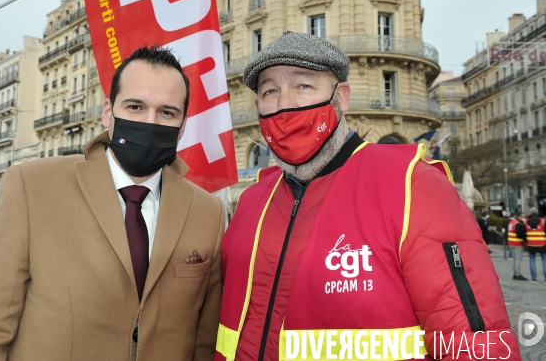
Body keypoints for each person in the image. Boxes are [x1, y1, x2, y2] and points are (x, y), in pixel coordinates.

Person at [215, 31, 520, 360]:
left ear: (341, 97)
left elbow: (473, 342)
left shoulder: (413, 185)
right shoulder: (250, 203)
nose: (283, 103)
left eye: (303, 86)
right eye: (269, 90)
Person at [0, 46, 225, 361]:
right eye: (135, 107)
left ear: (183, 125)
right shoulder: (31, 187)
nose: (150, 122)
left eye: (167, 112)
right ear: (108, 112)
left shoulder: (209, 213)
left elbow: (204, 342)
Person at [525, 209, 546, 282]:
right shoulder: (542, 221)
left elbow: (523, 232)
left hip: (531, 243)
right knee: (544, 260)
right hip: (542, 243)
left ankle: (534, 278)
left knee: (532, 260)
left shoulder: (526, 221)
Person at [508, 211, 528, 280]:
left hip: (512, 243)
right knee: (518, 260)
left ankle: (515, 273)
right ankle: (517, 274)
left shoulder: (512, 222)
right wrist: (525, 239)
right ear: (519, 216)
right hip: (518, 243)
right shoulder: (518, 223)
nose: (524, 218)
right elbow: (519, 234)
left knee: (515, 259)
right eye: (523, 216)